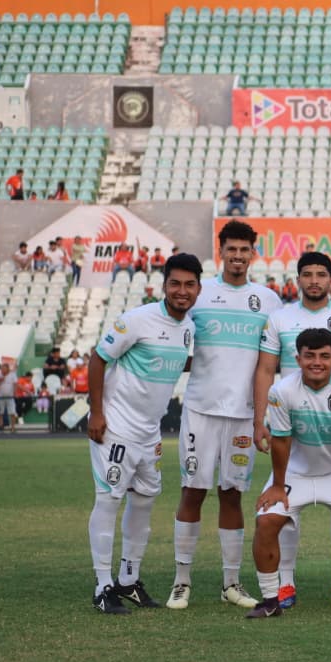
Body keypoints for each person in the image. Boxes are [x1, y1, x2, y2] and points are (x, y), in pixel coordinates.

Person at [165, 221, 281, 610]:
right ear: (221, 252)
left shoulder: (268, 300)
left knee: (232, 495)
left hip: (243, 415)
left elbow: (281, 352)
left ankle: (231, 583)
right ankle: (181, 582)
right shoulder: (199, 295)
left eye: (244, 249)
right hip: (200, 409)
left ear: (253, 254)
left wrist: (262, 418)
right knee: (192, 491)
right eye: (231, 249)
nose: (237, 256)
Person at [254, 252, 331, 609]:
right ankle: (284, 583)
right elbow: (265, 369)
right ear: (298, 280)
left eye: (322, 274)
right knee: (278, 512)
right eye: (307, 274)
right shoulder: (280, 318)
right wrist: (259, 419)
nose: (315, 281)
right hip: (295, 426)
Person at [86, 253, 202, 614]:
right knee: (109, 499)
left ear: (198, 289)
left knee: (144, 501)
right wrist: (97, 412)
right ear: (163, 285)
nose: (182, 291)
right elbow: (98, 358)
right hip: (116, 427)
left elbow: (173, 360)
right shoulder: (137, 319)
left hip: (150, 433)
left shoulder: (188, 327)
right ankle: (102, 585)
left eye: (189, 285)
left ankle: (128, 579)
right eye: (175, 283)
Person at [246, 328, 331, 619]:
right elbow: (281, 442)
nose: (316, 362)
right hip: (295, 473)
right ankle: (270, 600)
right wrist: (278, 485)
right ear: (297, 359)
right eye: (309, 356)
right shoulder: (282, 391)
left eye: (324, 356)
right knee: (266, 520)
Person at [0, 361, 19, 432]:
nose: (2, 370)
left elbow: (15, 384)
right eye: (1, 369)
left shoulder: (12, 375)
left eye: (3, 369)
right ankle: (0, 427)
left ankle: (13, 428)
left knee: (12, 412)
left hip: (10, 397)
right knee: (0, 413)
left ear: (7, 369)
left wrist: (15, 393)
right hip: (0, 397)